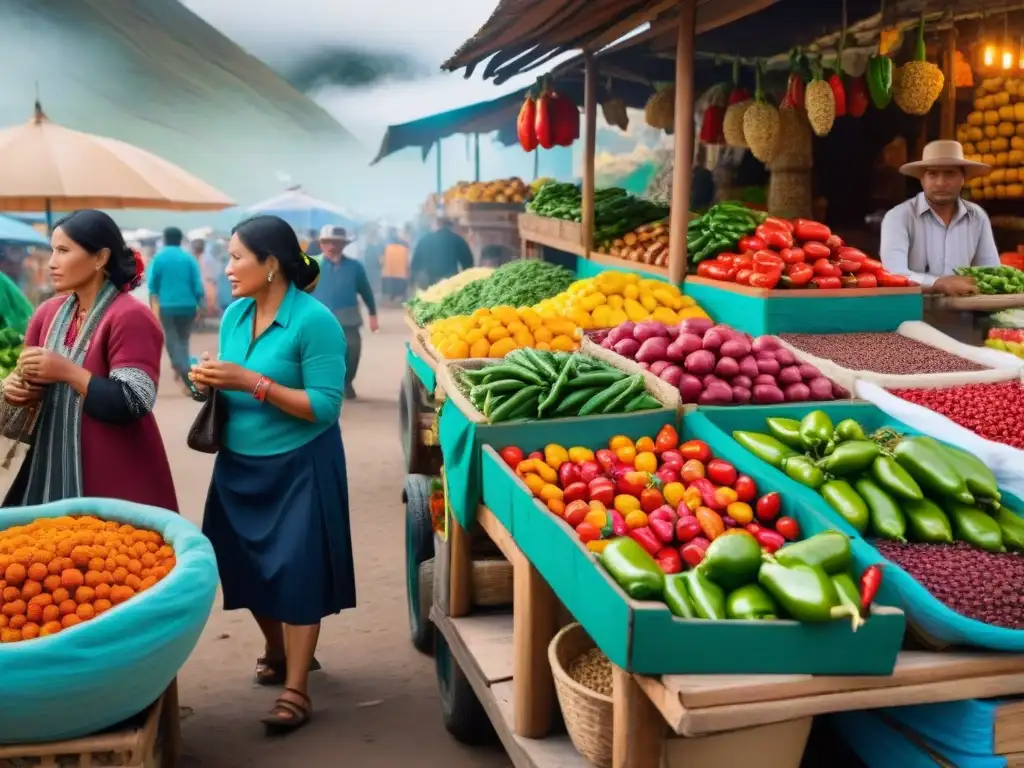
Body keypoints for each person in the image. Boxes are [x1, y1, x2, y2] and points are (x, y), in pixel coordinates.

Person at [189, 214, 354, 734]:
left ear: (271, 265)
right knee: (244, 564)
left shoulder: (314, 321)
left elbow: (325, 407)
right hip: (239, 464)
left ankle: (297, 687)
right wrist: (207, 381)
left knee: (299, 570)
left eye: (237, 257)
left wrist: (252, 382)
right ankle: (276, 648)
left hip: (301, 461)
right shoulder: (235, 315)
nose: (227, 267)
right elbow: (230, 379)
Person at [2, 209, 177, 510]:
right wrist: (17, 390)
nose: (52, 262)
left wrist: (67, 371)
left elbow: (134, 399)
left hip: (116, 473)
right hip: (50, 464)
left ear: (100, 258)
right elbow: (29, 386)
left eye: (64, 251)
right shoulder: (47, 314)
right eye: (52, 250)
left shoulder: (130, 316)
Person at [881, 140, 999, 296]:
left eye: (950, 173)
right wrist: (937, 283)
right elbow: (893, 274)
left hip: (966, 317)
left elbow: (991, 273)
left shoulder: (977, 217)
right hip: (914, 316)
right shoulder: (899, 217)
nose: (941, 183)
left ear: (963, 179)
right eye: (933, 174)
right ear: (922, 179)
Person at [310, 225, 377, 399]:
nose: (332, 247)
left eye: (336, 243)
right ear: (321, 244)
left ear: (343, 245)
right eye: (328, 243)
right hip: (319, 318)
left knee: (352, 351)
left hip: (348, 318)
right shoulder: (312, 265)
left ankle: (346, 382)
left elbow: (366, 291)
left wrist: (373, 314)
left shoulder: (355, 267)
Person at [148, 227, 205, 390]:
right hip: (188, 306)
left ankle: (184, 368)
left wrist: (154, 300)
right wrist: (201, 304)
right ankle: (182, 367)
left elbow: (152, 285)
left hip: (167, 306)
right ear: (180, 240)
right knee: (183, 339)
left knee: (172, 339)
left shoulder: (158, 259)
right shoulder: (189, 259)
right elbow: (197, 284)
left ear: (165, 240)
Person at [409, 217, 474, 289]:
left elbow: (415, 263)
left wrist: (413, 281)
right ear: (451, 226)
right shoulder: (456, 239)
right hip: (450, 281)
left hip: (430, 281)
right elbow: (468, 261)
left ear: (437, 225)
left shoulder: (425, 239)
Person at [380, 227, 410, 304]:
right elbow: (407, 263)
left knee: (389, 293)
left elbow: (381, 261)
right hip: (401, 276)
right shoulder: (404, 249)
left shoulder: (387, 248)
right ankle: (399, 300)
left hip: (389, 276)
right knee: (400, 293)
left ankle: (390, 300)